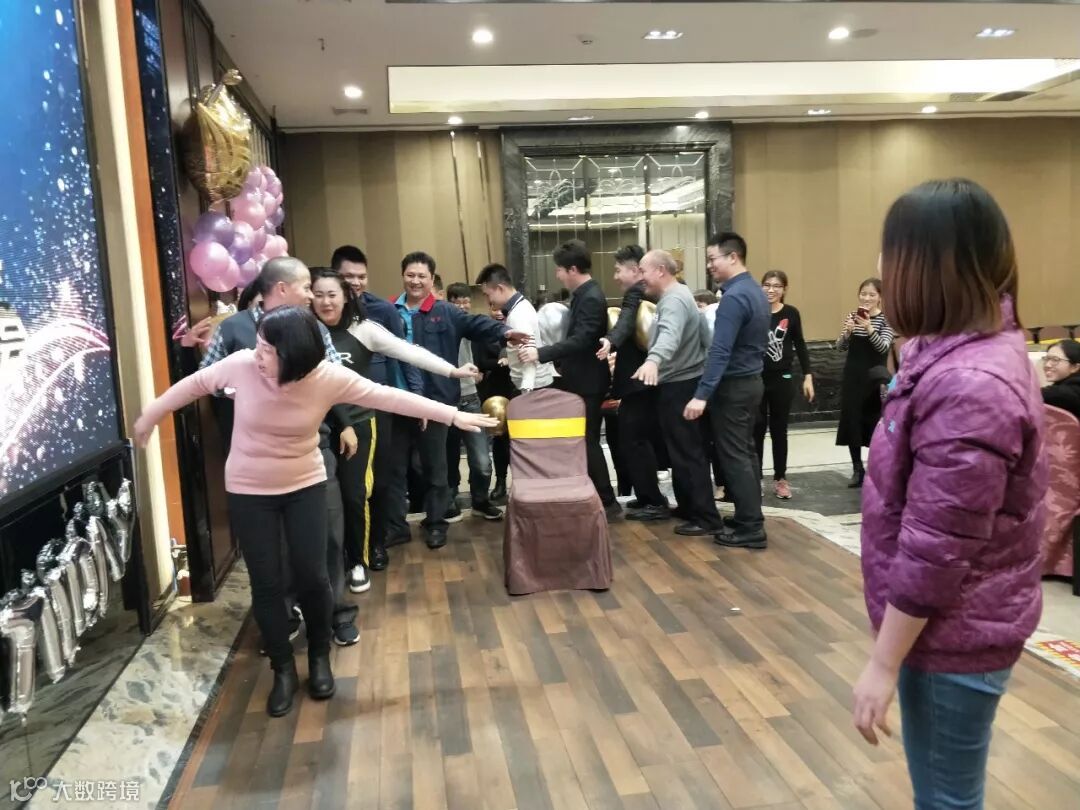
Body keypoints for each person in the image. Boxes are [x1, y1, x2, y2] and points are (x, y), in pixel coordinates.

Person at [133, 306, 495, 717]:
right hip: (249, 490)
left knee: (314, 576)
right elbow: (192, 386)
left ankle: (320, 657)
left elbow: (389, 396)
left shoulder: (327, 377)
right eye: (258, 344)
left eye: (267, 349)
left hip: (304, 485)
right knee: (267, 583)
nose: (257, 354)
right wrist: (150, 417)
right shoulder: (242, 365)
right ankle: (283, 669)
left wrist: (453, 415)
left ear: (294, 355)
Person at [853, 178, 1046, 810]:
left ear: (927, 266)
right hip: (951, 625)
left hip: (954, 632)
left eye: (890, 252)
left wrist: (883, 664)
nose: (880, 266)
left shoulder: (970, 383)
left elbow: (937, 547)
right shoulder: (953, 355)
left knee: (946, 799)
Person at [201, 258, 352, 644]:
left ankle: (335, 613)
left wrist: (346, 422)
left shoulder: (314, 327)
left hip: (312, 449)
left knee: (328, 535)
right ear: (282, 289)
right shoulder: (233, 329)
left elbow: (336, 377)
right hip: (257, 461)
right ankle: (282, 620)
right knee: (275, 550)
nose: (311, 295)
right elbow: (208, 378)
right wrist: (236, 389)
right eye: (306, 287)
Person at [312, 267, 478, 591]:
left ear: (345, 297)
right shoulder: (306, 331)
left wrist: (452, 371)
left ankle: (358, 560)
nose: (325, 302)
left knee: (356, 495)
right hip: (317, 427)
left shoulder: (364, 329)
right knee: (323, 500)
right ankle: (331, 563)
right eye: (318, 295)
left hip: (359, 424)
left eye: (332, 295)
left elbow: (409, 351)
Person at [392, 252, 525, 549]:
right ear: (403, 276)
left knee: (436, 467)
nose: (416, 281)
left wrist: (506, 332)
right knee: (397, 469)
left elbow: (477, 324)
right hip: (398, 400)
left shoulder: (445, 312)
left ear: (431, 280)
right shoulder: (390, 311)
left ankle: (435, 523)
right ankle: (396, 526)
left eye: (422, 276)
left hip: (437, 402)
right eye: (411, 275)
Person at [331, 245, 424, 566]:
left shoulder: (382, 310)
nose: (355, 283)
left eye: (361, 276)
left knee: (381, 478)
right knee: (343, 486)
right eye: (348, 277)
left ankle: (377, 544)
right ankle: (348, 549)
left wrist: (416, 398)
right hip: (332, 409)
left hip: (377, 406)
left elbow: (404, 355)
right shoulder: (320, 313)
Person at [518, 240, 619, 519]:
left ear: (573, 269)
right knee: (584, 440)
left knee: (588, 441)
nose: (558, 275)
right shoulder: (583, 295)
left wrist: (541, 353)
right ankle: (598, 497)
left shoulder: (591, 297)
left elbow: (582, 339)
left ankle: (607, 501)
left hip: (588, 382)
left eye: (560, 270)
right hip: (580, 379)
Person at [683, 232, 770, 549]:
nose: (709, 265)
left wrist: (702, 394)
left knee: (734, 457)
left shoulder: (733, 298)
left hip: (734, 386)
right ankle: (750, 516)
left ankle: (751, 528)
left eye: (712, 259)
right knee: (745, 453)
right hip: (752, 382)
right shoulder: (754, 290)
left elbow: (720, 351)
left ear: (733, 257)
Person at [632, 250, 724, 535]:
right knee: (683, 451)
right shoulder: (681, 295)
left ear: (660, 270)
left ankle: (706, 518)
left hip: (680, 385)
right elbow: (704, 338)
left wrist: (653, 360)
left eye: (643, 271)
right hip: (684, 382)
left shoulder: (673, 300)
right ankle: (690, 508)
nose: (640, 277)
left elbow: (670, 336)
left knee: (688, 453)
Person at [595, 245, 667, 522]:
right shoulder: (650, 294)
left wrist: (610, 340)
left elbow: (625, 321)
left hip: (640, 383)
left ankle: (654, 501)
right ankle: (648, 495)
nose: (615, 276)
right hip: (643, 382)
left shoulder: (637, 293)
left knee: (635, 442)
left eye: (618, 270)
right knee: (635, 441)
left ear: (636, 270)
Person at [444, 282, 504, 521]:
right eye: (457, 302)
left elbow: (483, 351)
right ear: (448, 302)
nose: (462, 306)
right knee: (448, 457)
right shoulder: (442, 325)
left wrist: (481, 369)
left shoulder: (472, 325)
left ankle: (480, 500)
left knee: (481, 460)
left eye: (465, 301)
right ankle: (449, 500)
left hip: (470, 397)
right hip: (446, 399)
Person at [755, 270, 815, 500]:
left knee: (779, 430)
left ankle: (780, 478)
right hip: (757, 378)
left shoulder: (791, 313)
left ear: (784, 289)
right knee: (756, 429)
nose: (771, 290)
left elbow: (800, 343)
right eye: (767, 285)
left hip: (782, 378)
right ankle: (756, 478)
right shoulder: (755, 311)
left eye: (777, 286)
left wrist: (808, 375)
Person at [836, 277, 895, 488]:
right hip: (853, 376)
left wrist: (869, 328)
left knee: (874, 422)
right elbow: (839, 347)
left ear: (880, 297)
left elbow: (883, 347)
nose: (866, 298)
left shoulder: (886, 320)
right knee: (852, 421)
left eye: (872, 294)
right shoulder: (852, 316)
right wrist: (847, 333)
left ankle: (876, 467)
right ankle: (857, 468)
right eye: (863, 294)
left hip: (875, 379)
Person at [1041, 339, 1080, 420]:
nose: (1047, 365)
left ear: (1074, 367)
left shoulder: (1070, 392)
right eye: (1046, 359)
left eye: (1055, 360)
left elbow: (1030, 396)